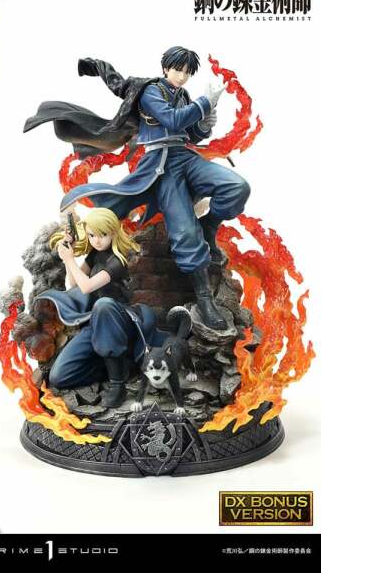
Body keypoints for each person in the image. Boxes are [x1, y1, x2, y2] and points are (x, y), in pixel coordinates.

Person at [24, 47, 250, 331]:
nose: (182, 76)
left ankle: (209, 225)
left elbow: (189, 132)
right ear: (166, 68)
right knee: (185, 233)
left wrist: (204, 125)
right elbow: (172, 120)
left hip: (185, 157)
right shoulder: (151, 92)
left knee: (236, 187)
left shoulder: (182, 95)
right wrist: (205, 103)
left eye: (187, 72)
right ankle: (205, 300)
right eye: (177, 70)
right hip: (161, 167)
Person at [36, 208, 162, 408]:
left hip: (119, 320)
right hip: (95, 321)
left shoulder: (118, 260)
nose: (96, 240)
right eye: (92, 235)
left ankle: (118, 383)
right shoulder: (95, 254)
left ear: (113, 232)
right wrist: (70, 257)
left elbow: (87, 286)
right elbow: (75, 284)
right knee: (59, 376)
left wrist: (69, 259)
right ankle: (117, 367)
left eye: (102, 234)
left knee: (103, 304)